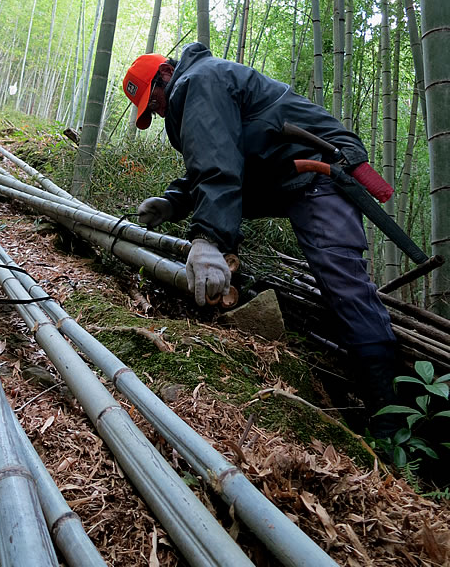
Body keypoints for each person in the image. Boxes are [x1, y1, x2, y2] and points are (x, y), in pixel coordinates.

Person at [122, 41, 398, 438]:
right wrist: (172, 201)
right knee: (340, 287)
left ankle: (392, 420)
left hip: (323, 168)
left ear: (166, 75)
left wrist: (207, 239)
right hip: (290, 174)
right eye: (149, 111)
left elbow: (217, 163)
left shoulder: (199, 80)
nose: (157, 111)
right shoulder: (200, 84)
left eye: (155, 102)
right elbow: (224, 156)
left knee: (344, 286)